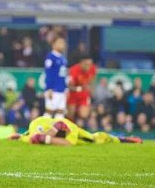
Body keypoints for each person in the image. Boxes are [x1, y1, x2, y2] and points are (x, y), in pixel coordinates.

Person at [10, 116, 142, 146]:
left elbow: (68, 144)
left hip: (77, 132)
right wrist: (18, 136)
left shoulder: (70, 128)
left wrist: (46, 139)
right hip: (44, 129)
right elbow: (31, 137)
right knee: (28, 138)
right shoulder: (37, 124)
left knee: (93, 139)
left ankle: (124, 139)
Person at [67, 54, 97, 121]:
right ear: (81, 63)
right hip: (73, 93)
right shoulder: (73, 70)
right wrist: (78, 88)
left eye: (90, 64)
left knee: (84, 114)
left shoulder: (93, 68)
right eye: (86, 64)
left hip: (84, 93)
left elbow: (92, 80)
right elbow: (69, 86)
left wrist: (91, 88)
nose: (89, 67)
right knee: (70, 115)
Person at [43, 37, 68, 118]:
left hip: (61, 89)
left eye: (63, 43)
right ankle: (41, 130)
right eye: (60, 43)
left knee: (60, 112)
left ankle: (58, 130)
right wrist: (49, 88)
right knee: (49, 112)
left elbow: (63, 74)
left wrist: (65, 88)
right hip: (53, 90)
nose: (63, 45)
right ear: (54, 45)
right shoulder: (50, 57)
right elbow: (48, 73)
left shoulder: (63, 59)